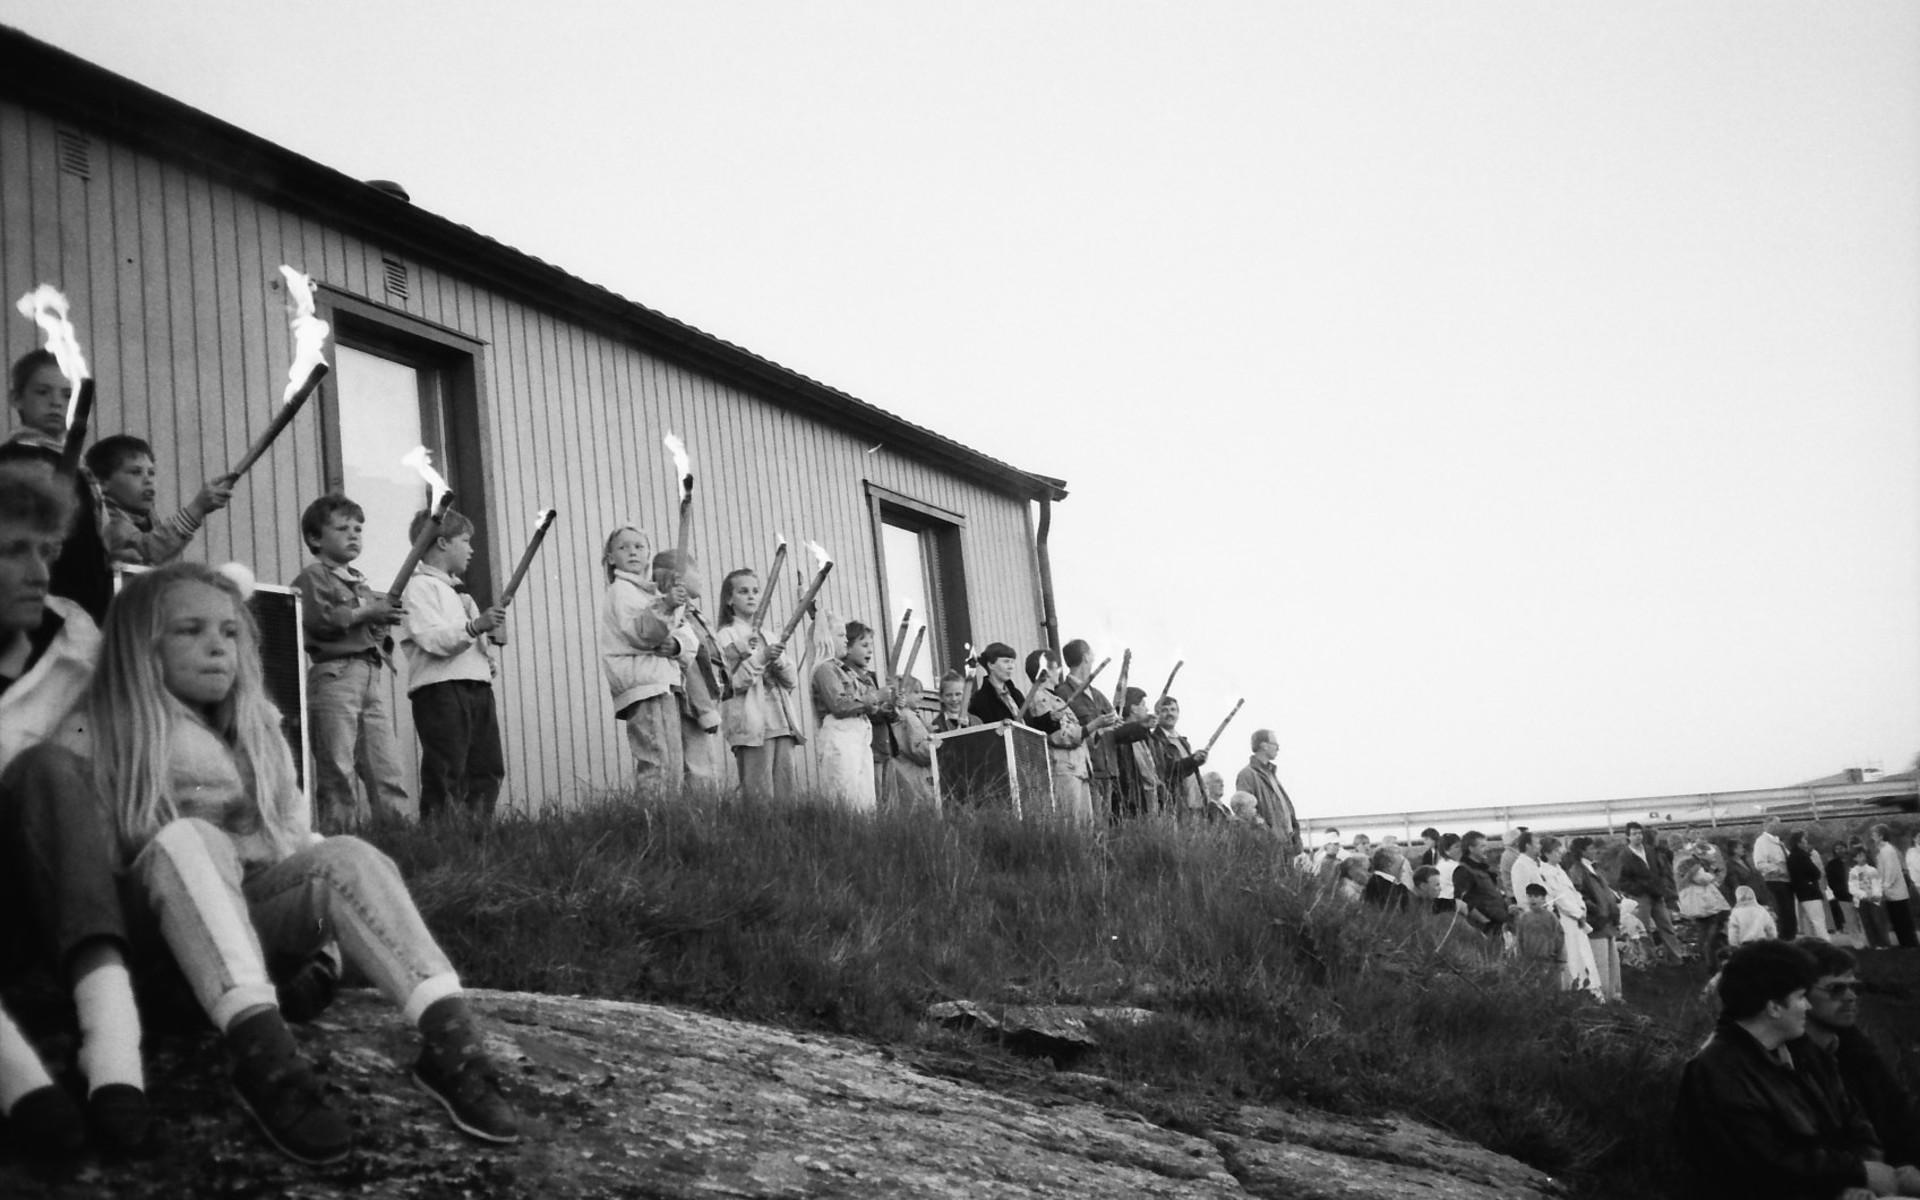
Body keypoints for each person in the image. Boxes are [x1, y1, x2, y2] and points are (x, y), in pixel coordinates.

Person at [80, 562, 521, 1163]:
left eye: (230, 632)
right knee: (190, 841)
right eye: (189, 631)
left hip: (251, 924)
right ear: (141, 645)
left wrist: (324, 955)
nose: (217, 645)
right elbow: (94, 868)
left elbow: (293, 843)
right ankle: (265, 1059)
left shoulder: (257, 729)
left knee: (346, 854)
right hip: (163, 948)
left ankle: (451, 1041)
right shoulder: (111, 731)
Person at [0, 461, 152, 1154]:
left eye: (47, 551)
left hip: (46, 899)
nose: (39, 571)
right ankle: (18, 1079)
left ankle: (112, 1047)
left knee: (55, 770)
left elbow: (98, 777)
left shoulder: (77, 650)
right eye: (13, 551)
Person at [1673, 940, 1916, 1199]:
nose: (1807, 1006)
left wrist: (1861, 1178)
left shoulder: (1801, 1050)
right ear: (1774, 1007)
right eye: (1801, 997)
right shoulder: (1717, 1071)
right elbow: (1760, 1164)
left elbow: (1855, 1121)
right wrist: (1852, 1175)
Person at [290, 494, 411, 830]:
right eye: (342, 528)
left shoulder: (360, 582)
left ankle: (398, 836)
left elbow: (371, 632)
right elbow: (317, 621)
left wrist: (379, 623)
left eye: (358, 528)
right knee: (337, 764)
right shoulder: (313, 577)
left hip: (368, 674)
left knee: (384, 762)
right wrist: (365, 612)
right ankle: (339, 835)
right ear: (316, 538)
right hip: (335, 674)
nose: (354, 534)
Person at [399, 507, 506, 821]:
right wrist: (475, 628)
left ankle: (477, 832)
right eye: (465, 540)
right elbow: (432, 639)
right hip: (440, 691)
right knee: (448, 765)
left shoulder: (461, 594)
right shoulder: (419, 588)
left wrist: (487, 659)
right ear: (442, 543)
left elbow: (471, 642)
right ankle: (441, 833)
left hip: (476, 688)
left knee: (486, 765)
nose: (471, 549)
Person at [4, 350, 112, 622]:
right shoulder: (14, 461)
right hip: (43, 603)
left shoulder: (75, 465)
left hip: (86, 605)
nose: (56, 403)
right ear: (16, 398)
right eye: (42, 392)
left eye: (67, 395)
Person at [1797, 938, 1920, 1171]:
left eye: (1855, 987)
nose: (1851, 996)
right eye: (1836, 988)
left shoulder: (1853, 1047)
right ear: (1799, 995)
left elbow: (1899, 1112)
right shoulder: (1784, 1062)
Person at [597, 525, 693, 792]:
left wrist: (676, 644)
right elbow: (641, 633)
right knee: (657, 762)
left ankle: (667, 825)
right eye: (623, 547)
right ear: (611, 557)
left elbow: (682, 634)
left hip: (660, 682)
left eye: (639, 546)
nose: (632, 552)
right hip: (644, 685)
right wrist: (667, 606)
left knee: (671, 763)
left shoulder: (647, 592)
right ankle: (651, 823)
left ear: (649, 553)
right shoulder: (622, 591)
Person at [713, 567, 801, 803]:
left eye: (755, 591)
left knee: (786, 795)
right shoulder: (726, 636)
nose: (751, 596)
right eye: (743, 592)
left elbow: (792, 680)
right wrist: (761, 658)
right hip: (751, 725)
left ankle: (783, 837)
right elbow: (732, 682)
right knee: (758, 795)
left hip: (780, 722)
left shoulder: (769, 636)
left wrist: (779, 659)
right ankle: (759, 836)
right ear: (729, 599)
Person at [83, 433, 233, 566]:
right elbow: (149, 550)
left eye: (151, 472)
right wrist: (197, 509)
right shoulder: (106, 523)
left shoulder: (149, 521)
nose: (148, 480)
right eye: (135, 472)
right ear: (102, 482)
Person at [654, 551, 728, 791]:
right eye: (696, 571)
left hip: (701, 700)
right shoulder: (679, 615)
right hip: (691, 705)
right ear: (680, 579)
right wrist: (706, 710)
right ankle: (702, 820)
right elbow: (692, 665)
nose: (702, 578)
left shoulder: (693, 612)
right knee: (699, 768)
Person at [812, 620, 887, 812]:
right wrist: (875, 697)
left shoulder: (844, 670)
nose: (845, 640)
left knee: (866, 798)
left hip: (858, 734)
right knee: (845, 794)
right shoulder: (824, 669)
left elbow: (867, 704)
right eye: (840, 635)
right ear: (826, 639)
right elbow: (839, 705)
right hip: (840, 734)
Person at [1024, 651, 1090, 821]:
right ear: (1044, 672)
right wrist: (1092, 727)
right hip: (1064, 770)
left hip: (1077, 769)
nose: (1059, 671)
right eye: (1055, 668)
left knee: (1085, 826)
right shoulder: (1039, 698)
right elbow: (1058, 736)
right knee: (1071, 824)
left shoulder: (1055, 699)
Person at [1059, 639, 1122, 812]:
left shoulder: (1097, 694)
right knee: (1090, 829)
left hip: (1108, 772)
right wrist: (1098, 727)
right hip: (1086, 771)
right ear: (1086, 657)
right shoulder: (1063, 693)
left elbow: (1116, 723)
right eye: (1092, 654)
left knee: (1105, 832)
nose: (1094, 658)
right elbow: (1065, 734)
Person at [1617, 821, 1687, 962]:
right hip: (1641, 897)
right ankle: (1650, 960)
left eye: (1640, 833)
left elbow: (1661, 871)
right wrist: (1638, 889)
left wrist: (1661, 886)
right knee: (1644, 929)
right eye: (1634, 834)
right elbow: (1622, 880)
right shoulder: (1624, 856)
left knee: (1666, 926)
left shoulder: (1650, 850)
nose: (1638, 836)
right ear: (1628, 837)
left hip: (1656, 894)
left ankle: (1676, 959)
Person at [1539, 837, 1600, 995]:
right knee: (1573, 956)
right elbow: (1560, 898)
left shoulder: (1560, 869)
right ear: (1547, 853)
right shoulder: (1545, 872)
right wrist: (1578, 913)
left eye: (1561, 852)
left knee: (1585, 955)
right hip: (1567, 920)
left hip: (1577, 918)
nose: (1560, 855)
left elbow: (1574, 892)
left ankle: (1592, 990)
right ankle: (1577, 990)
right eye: (1557, 852)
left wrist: (1582, 908)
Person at [1567, 836, 1623, 1003]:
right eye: (1591, 848)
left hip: (1608, 921)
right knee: (1601, 964)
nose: (1595, 851)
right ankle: (1605, 998)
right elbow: (1579, 895)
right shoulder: (1577, 870)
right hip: (1597, 924)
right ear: (1582, 851)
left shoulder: (1594, 868)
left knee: (1613, 962)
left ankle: (1614, 995)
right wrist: (1598, 909)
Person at [1234, 728, 1300, 854]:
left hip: (1286, 844)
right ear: (1264, 746)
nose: (1278, 748)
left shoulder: (1271, 774)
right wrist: (1269, 836)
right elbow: (1245, 812)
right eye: (1275, 744)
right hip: (1270, 848)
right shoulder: (1247, 775)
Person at [1146, 694, 1207, 821]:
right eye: (1164, 710)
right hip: (1176, 806)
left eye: (1173, 710)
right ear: (1157, 714)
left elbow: (1188, 769)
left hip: (1196, 806)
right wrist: (1192, 760)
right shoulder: (1155, 740)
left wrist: (1197, 761)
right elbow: (1167, 770)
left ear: (1178, 713)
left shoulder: (1183, 742)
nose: (1169, 714)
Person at [880, 673, 936, 809]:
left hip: (910, 775)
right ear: (902, 695)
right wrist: (938, 744)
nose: (921, 697)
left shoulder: (909, 717)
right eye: (916, 692)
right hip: (913, 778)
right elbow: (918, 749)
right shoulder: (906, 718)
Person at [1676, 839, 1733, 969]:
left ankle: (1707, 960)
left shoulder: (1688, 863)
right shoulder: (1693, 864)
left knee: (1706, 933)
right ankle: (1710, 963)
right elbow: (1702, 879)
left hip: (1700, 905)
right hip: (1704, 905)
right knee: (1709, 935)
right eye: (1707, 853)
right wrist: (1712, 874)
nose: (1710, 856)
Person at [1452, 831, 1509, 940]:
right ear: (1471, 848)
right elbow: (1461, 902)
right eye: (1482, 846)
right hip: (1484, 930)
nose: (1486, 849)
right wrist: (1484, 921)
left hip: (1497, 925)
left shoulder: (1483, 869)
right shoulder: (1463, 871)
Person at [1872, 825, 1918, 948]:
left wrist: (1885, 886)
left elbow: (1891, 870)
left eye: (1874, 834)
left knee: (1903, 919)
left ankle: (1910, 943)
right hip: (1891, 893)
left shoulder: (1888, 850)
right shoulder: (1882, 850)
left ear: (1881, 836)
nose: (1872, 837)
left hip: (1896, 892)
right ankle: (1905, 942)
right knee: (1897, 920)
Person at [1754, 818, 1800, 942]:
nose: (1778, 827)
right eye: (1775, 824)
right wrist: (1778, 869)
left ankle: (1791, 938)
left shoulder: (1779, 843)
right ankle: (1782, 940)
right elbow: (1760, 864)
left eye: (1779, 824)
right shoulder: (1762, 842)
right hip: (1774, 882)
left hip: (1787, 882)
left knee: (1790, 912)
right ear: (1766, 825)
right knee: (1782, 911)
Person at [1787, 830, 1832, 943]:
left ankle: (1811, 944)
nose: (1806, 842)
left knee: (1808, 921)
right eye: (1804, 840)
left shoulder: (1791, 857)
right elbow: (1816, 872)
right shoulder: (1802, 856)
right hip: (1810, 892)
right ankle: (1826, 943)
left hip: (1801, 893)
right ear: (1799, 843)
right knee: (1818, 920)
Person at [966, 642, 1024, 726]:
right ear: (991, 665)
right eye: (1006, 661)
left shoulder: (1016, 694)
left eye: (1012, 662)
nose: (1011, 666)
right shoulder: (980, 700)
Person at [1513, 884, 1564, 977]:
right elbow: (1519, 939)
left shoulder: (1551, 917)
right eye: (1529, 896)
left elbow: (1559, 939)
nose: (1532, 899)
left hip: (1548, 961)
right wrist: (1519, 959)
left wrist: (1560, 960)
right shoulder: (1524, 918)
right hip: (1528, 962)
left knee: (1549, 986)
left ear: (1544, 899)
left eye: (1536, 896)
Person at [1851, 846, 1892, 950]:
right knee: (1867, 923)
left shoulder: (1872, 870)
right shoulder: (1853, 872)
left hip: (1874, 900)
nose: (1862, 857)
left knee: (1878, 921)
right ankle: (1874, 944)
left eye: (1863, 855)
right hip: (1862, 901)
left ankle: (1884, 943)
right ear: (1854, 858)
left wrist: (1875, 895)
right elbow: (1853, 888)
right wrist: (1864, 896)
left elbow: (1877, 884)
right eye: (1858, 856)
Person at [1828, 840, 1860, 949]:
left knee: (1863, 918)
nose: (1839, 850)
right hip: (1843, 896)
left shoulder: (1853, 861)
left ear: (1846, 848)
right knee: (1850, 920)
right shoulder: (1832, 864)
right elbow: (1831, 881)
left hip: (1859, 894)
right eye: (1837, 848)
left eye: (1841, 847)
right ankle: (1857, 943)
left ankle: (1869, 940)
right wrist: (1839, 891)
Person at [928, 669, 977, 734]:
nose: (954, 699)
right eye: (948, 695)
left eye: (958, 694)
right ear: (941, 697)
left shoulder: (977, 722)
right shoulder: (937, 726)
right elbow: (935, 743)